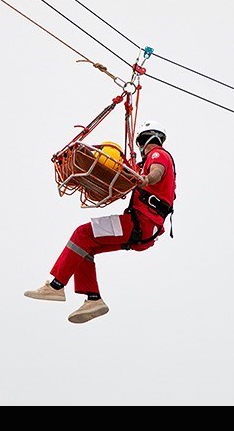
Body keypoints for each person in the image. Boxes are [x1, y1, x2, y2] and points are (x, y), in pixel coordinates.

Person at [24, 120, 177, 324]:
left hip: (141, 223)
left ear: (143, 140)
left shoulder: (158, 155)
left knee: (82, 234)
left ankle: (56, 286)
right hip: (144, 230)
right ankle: (93, 299)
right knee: (85, 247)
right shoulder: (142, 166)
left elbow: (156, 172)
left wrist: (147, 180)